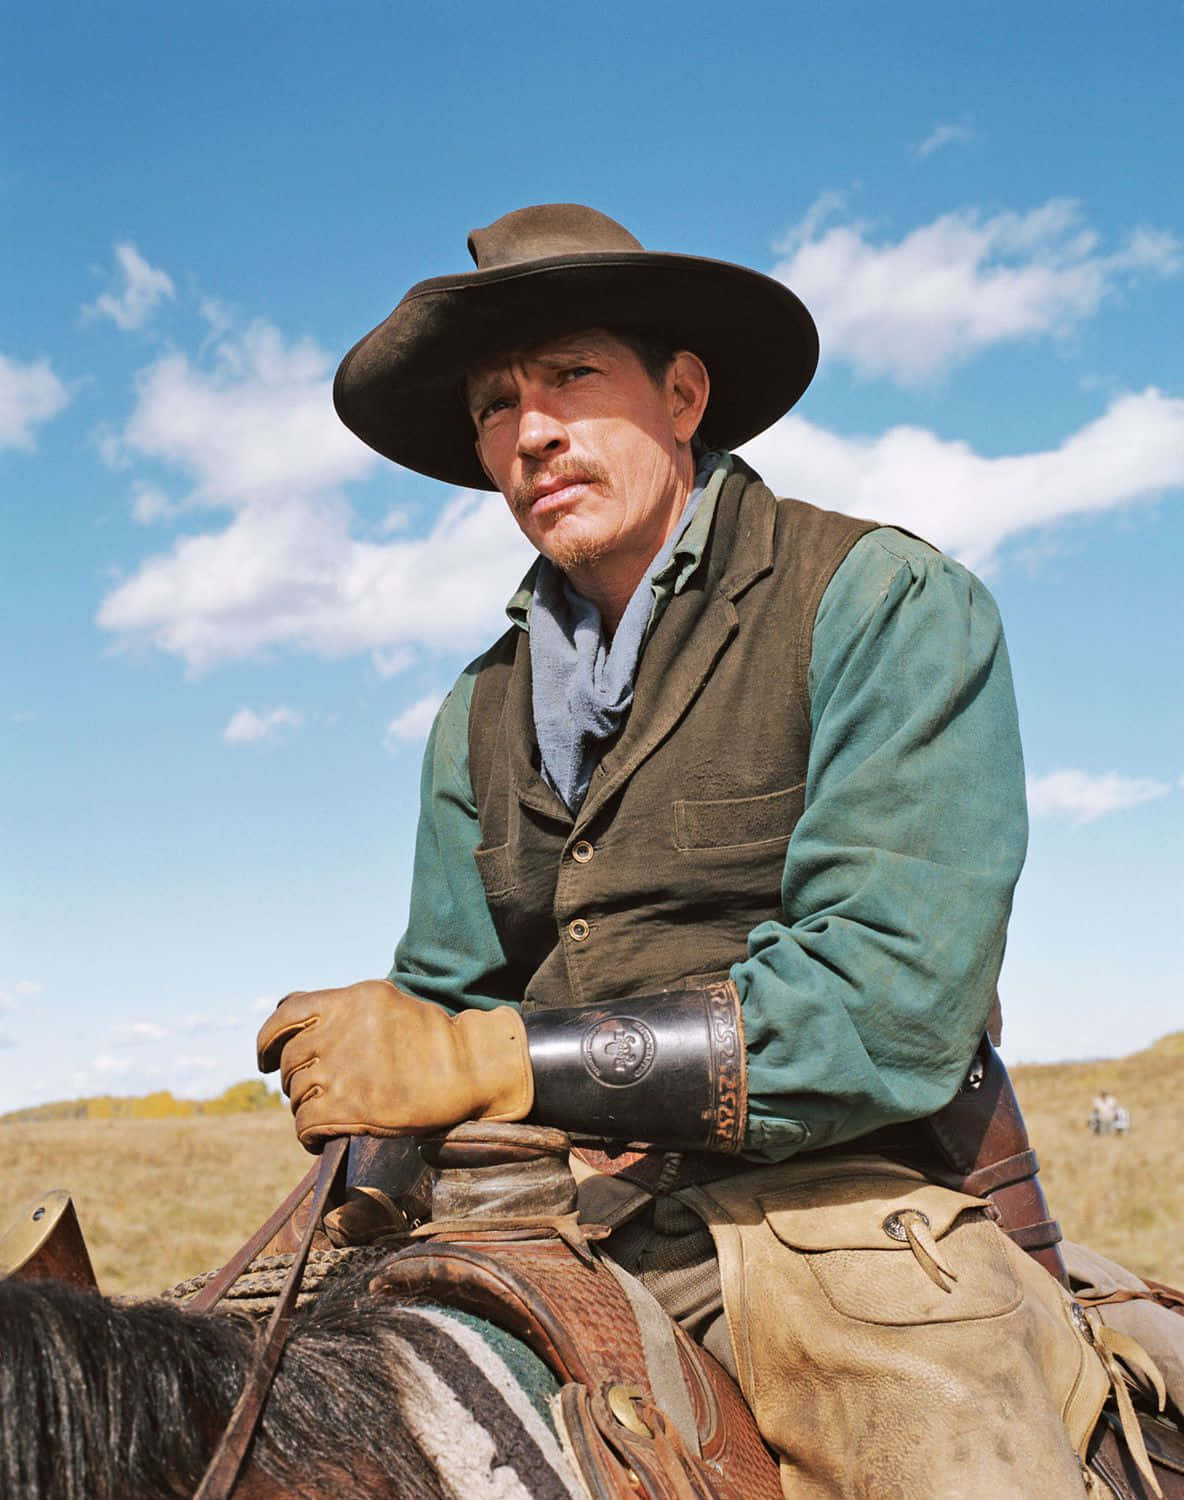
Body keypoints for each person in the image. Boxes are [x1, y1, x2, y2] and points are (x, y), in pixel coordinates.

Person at [258, 205, 1116, 1495]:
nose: (529, 429)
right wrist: (366, 1131)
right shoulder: (474, 713)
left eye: (567, 378)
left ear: (682, 395)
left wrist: (479, 1060)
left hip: (830, 1219)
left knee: (969, 1464)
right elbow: (453, 989)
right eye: (495, 403)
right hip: (539, 1215)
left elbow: (890, 1000)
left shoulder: (881, 603)